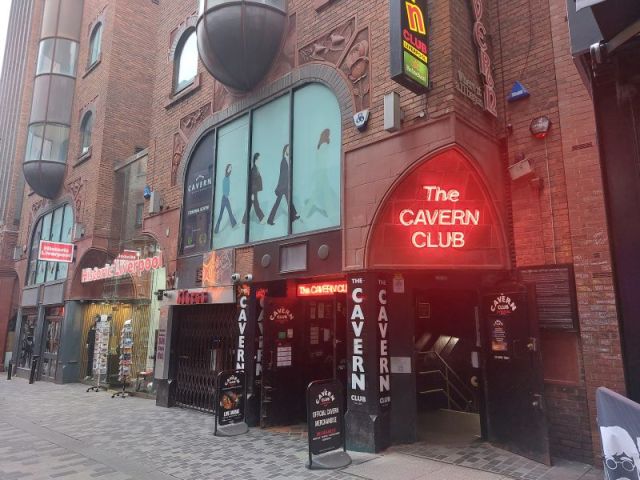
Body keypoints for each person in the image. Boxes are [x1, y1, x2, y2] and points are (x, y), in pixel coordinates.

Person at [302, 129, 334, 219]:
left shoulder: (320, 146)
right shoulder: (324, 146)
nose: (329, 136)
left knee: (324, 192)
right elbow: (324, 160)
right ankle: (304, 213)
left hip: (321, 172)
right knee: (319, 193)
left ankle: (330, 212)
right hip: (322, 172)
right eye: (328, 134)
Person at [267, 144, 298, 225]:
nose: (289, 150)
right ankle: (270, 220)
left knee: (288, 200)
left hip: (285, 185)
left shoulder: (287, 159)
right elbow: (282, 175)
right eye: (288, 149)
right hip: (283, 186)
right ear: (285, 150)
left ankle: (293, 215)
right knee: (278, 203)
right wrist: (280, 186)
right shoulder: (283, 161)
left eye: (289, 149)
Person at [243, 153, 265, 224]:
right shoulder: (253, 170)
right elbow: (252, 182)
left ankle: (244, 220)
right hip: (253, 191)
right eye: (259, 159)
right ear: (256, 160)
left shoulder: (256, 169)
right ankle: (262, 218)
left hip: (254, 190)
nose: (261, 161)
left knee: (250, 205)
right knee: (256, 205)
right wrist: (252, 194)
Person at [214, 164, 238, 233]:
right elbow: (224, 190)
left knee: (227, 212)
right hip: (224, 198)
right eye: (229, 169)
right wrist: (227, 196)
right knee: (224, 213)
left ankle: (233, 224)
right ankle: (233, 224)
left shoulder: (227, 178)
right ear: (226, 170)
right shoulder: (225, 179)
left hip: (225, 198)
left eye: (231, 169)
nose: (230, 170)